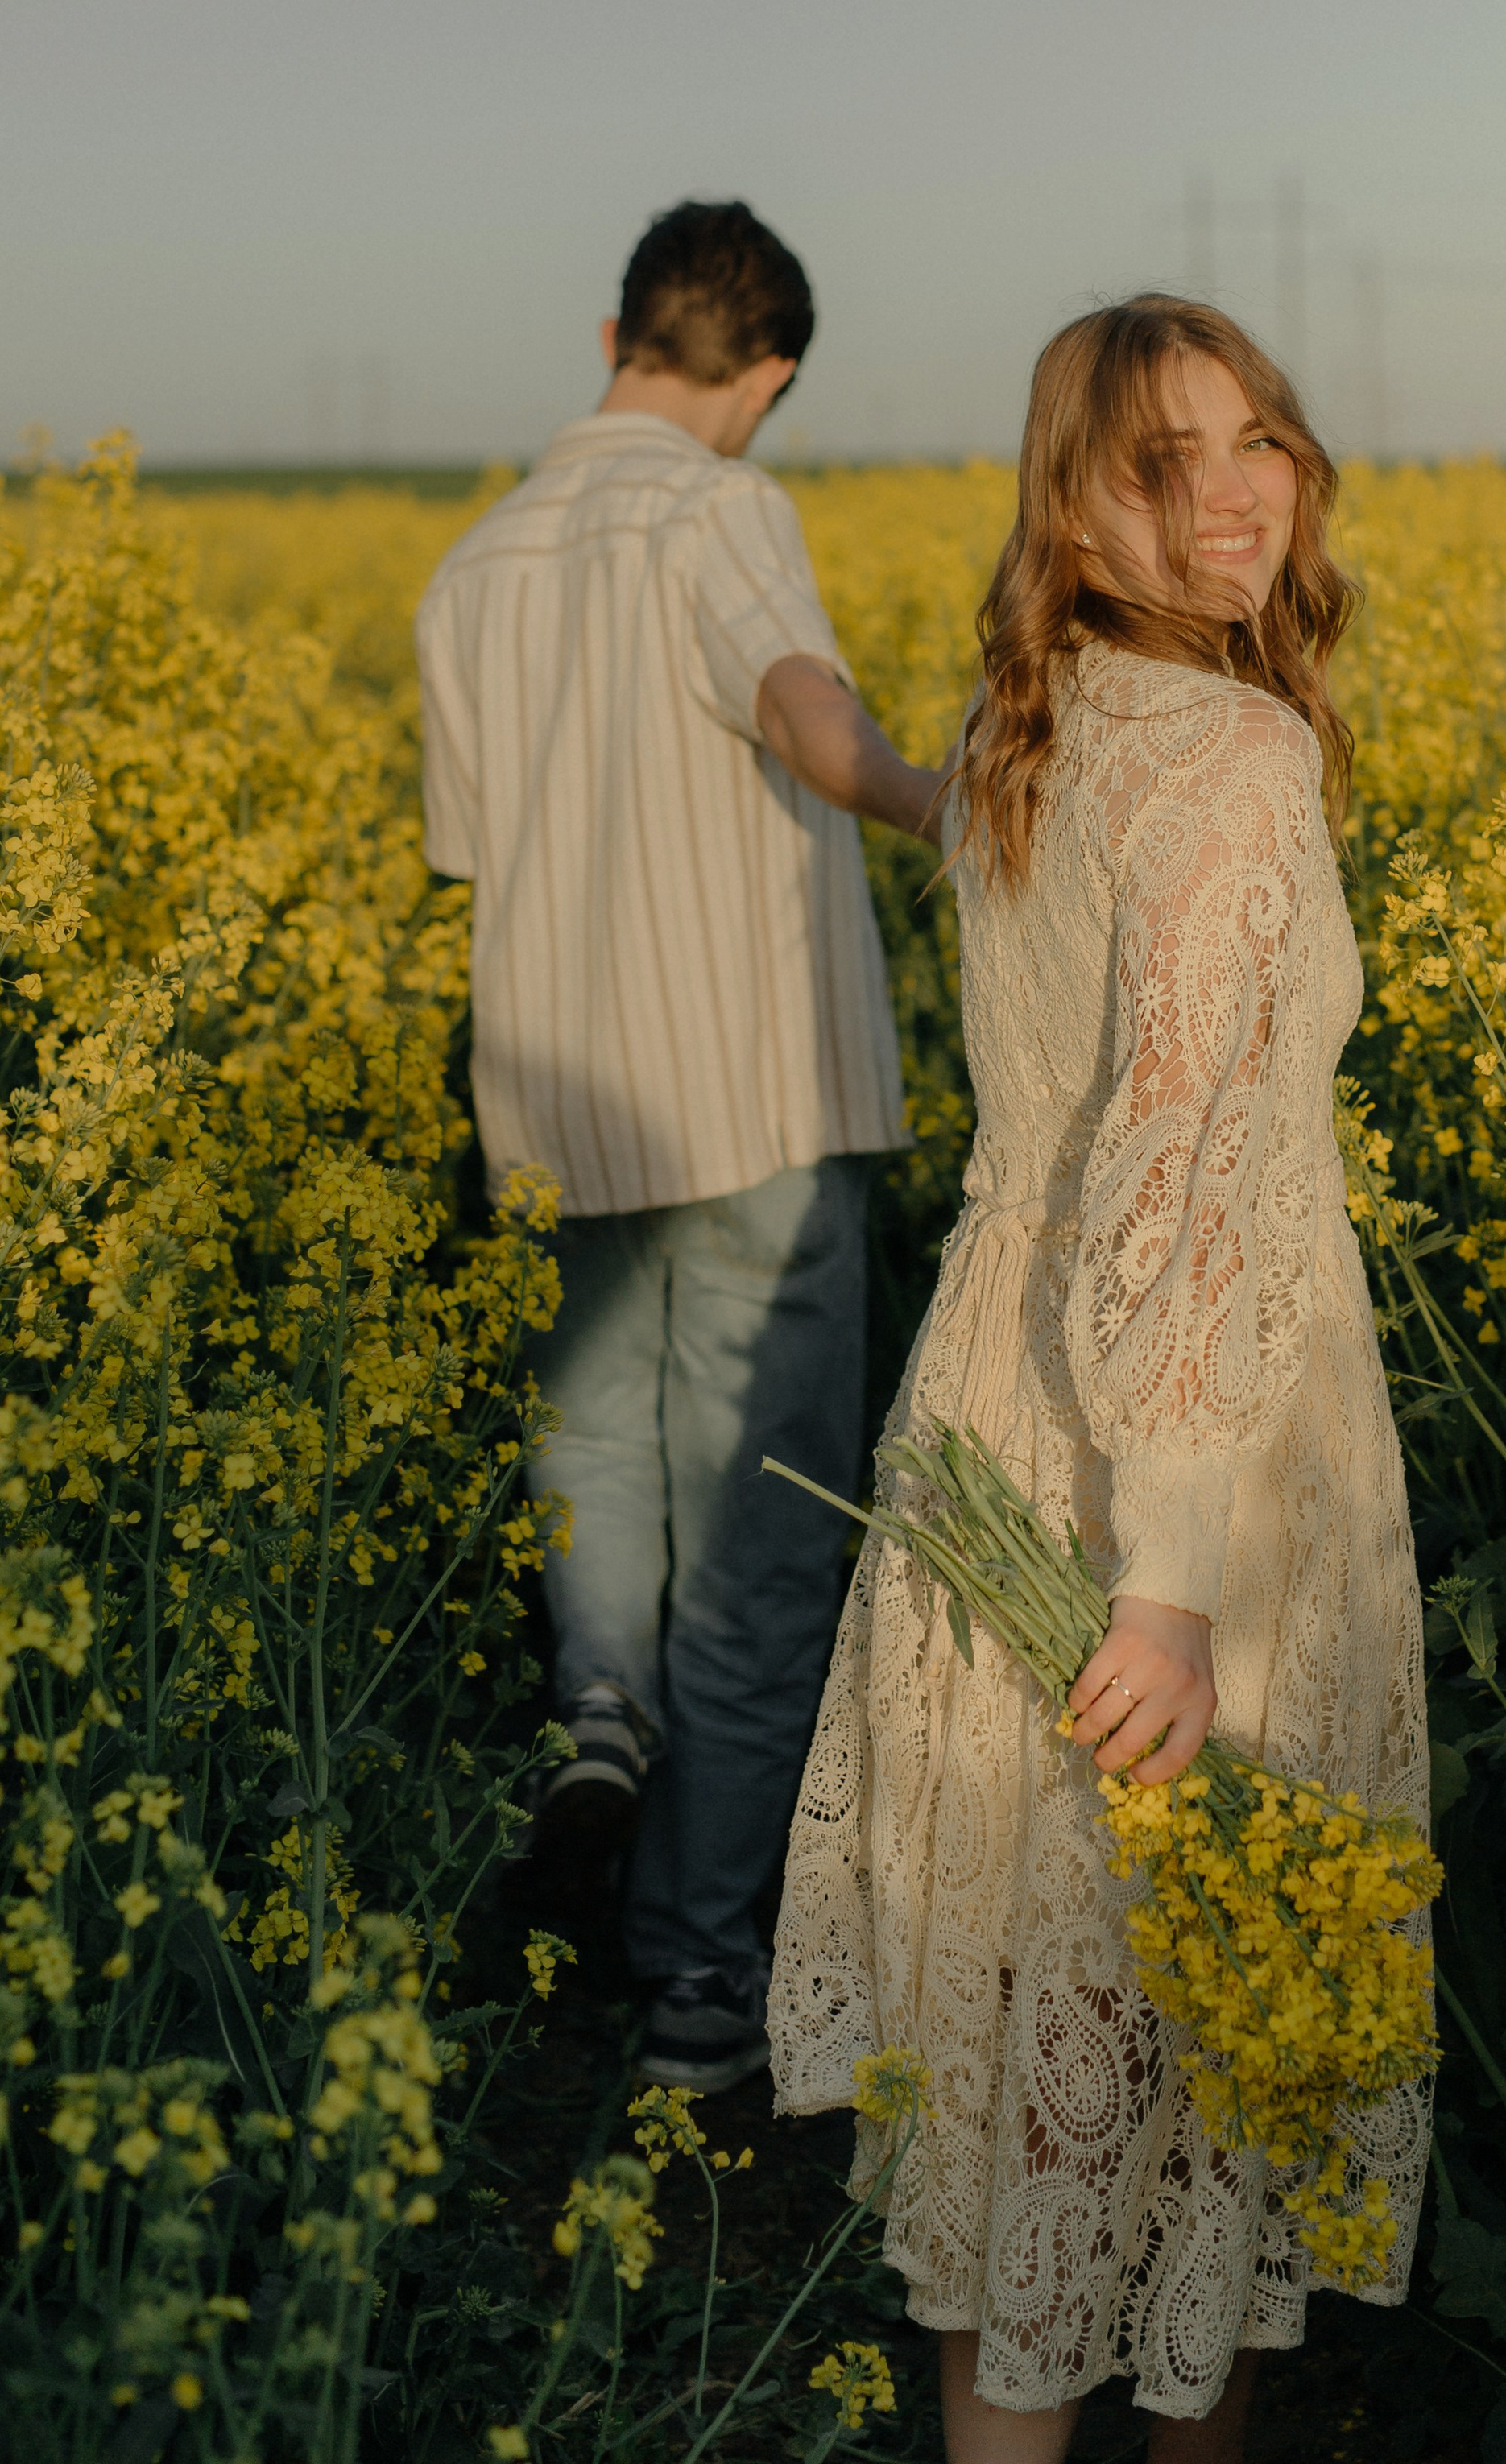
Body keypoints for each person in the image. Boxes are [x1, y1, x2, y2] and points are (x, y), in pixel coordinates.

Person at [769, 297, 1430, 2459]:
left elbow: (1007, 895)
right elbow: (1177, 1166)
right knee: (1199, 2017)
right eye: (1166, 461)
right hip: (1191, 1443)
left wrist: (854, 765)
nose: (1236, 494)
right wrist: (1168, 1574)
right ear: (1075, 507)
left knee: (1027, 2046)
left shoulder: (1034, 717)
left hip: (997, 1393)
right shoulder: (1229, 755)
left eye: (1261, 441)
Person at [416, 200, 944, 2093]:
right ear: (768, 374)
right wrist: (947, 801)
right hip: (749, 1099)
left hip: (556, 1109)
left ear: (615, 334)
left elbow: (469, 856)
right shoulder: (724, 511)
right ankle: (703, 1974)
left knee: (593, 1447)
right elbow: (801, 711)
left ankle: (598, 1711)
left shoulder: (472, 566)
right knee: (759, 1536)